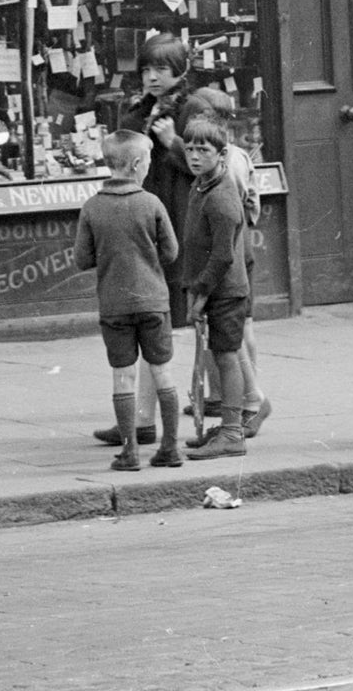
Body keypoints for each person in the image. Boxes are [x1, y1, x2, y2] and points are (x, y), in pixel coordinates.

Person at [71, 130, 182, 471]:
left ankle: (130, 451)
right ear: (136, 164)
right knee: (162, 372)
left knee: (123, 376)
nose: (149, 166)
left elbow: (82, 259)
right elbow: (171, 252)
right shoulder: (152, 203)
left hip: (115, 304)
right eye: (148, 160)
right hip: (153, 302)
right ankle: (169, 448)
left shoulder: (92, 207)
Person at [109, 34, 195, 441]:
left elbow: (209, 163)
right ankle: (143, 419)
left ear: (181, 69)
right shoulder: (140, 109)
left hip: (175, 224)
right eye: (146, 69)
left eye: (161, 68)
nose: (152, 76)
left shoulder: (194, 108)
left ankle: (146, 420)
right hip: (142, 222)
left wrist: (172, 142)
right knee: (154, 320)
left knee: (160, 322)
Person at [180, 111, 270, 437]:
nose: (193, 156)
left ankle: (232, 431)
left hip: (225, 290)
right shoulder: (202, 186)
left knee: (227, 358)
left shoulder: (220, 196)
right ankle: (228, 427)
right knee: (222, 356)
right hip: (212, 288)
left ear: (222, 155)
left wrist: (201, 294)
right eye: (189, 148)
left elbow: (222, 256)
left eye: (202, 150)